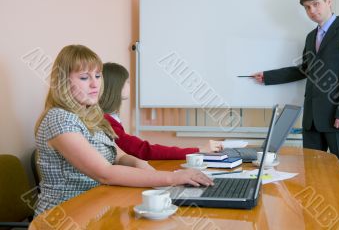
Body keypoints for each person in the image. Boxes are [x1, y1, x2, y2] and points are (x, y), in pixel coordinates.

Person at [34, 45, 213, 215]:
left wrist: (137, 163)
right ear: (62, 82)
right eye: (84, 77)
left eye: (97, 76)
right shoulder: (59, 118)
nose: (95, 84)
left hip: (97, 204)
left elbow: (118, 155)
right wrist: (173, 178)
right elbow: (105, 173)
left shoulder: (92, 115)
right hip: (66, 214)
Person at [253, 0, 339, 199]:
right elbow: (305, 69)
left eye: (316, 4)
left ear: (329, 1)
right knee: (314, 176)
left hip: (338, 118)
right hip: (312, 119)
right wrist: (268, 77)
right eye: (307, 7)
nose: (312, 10)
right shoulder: (309, 37)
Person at [99, 62, 223, 160]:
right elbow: (144, 150)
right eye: (126, 82)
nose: (129, 85)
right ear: (115, 86)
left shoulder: (109, 117)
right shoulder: (106, 120)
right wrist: (198, 150)